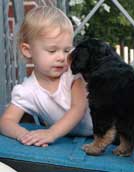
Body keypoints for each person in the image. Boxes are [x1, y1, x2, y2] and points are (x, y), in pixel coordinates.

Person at [0, 6, 93, 147]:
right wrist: (24, 135)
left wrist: (52, 133)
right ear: (27, 50)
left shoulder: (73, 74)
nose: (62, 57)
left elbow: (79, 108)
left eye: (67, 50)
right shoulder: (28, 90)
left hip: (111, 130)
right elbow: (6, 121)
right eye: (52, 50)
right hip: (73, 142)